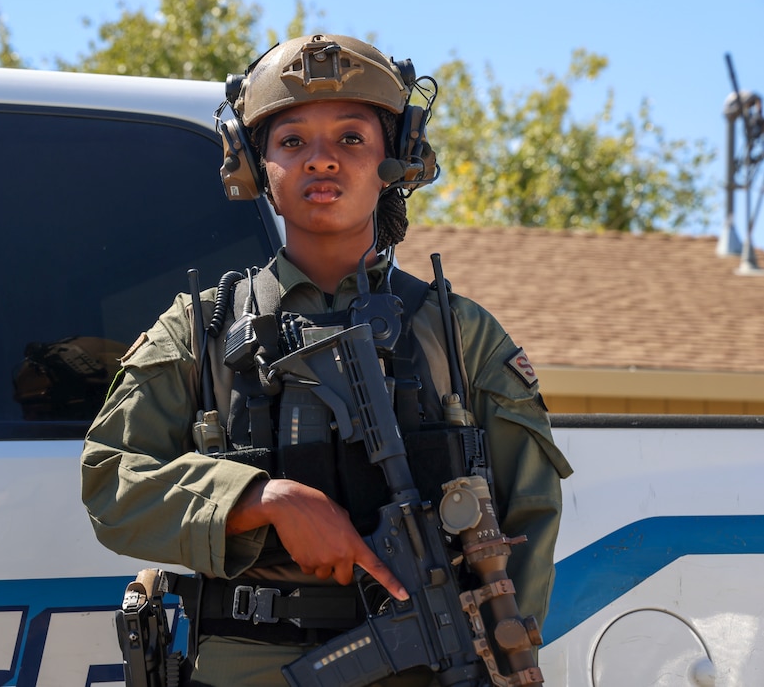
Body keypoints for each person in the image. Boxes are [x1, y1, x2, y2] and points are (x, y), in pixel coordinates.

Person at [82, 33, 573, 686]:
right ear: (254, 166)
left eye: (350, 139)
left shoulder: (457, 335)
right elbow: (112, 484)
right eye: (291, 142)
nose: (321, 161)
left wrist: (503, 661)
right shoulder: (199, 329)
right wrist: (259, 497)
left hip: (435, 665)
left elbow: (528, 514)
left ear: (392, 162)